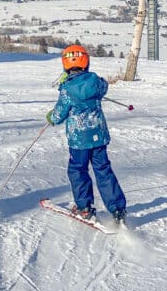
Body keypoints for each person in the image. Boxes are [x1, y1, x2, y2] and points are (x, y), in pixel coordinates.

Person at [46, 44, 127, 224]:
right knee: (103, 170)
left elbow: (59, 114)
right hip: (99, 137)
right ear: (86, 62)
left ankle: (84, 207)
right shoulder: (95, 81)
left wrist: (51, 117)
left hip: (79, 140)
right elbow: (104, 85)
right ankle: (118, 209)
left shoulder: (67, 89)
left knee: (78, 170)